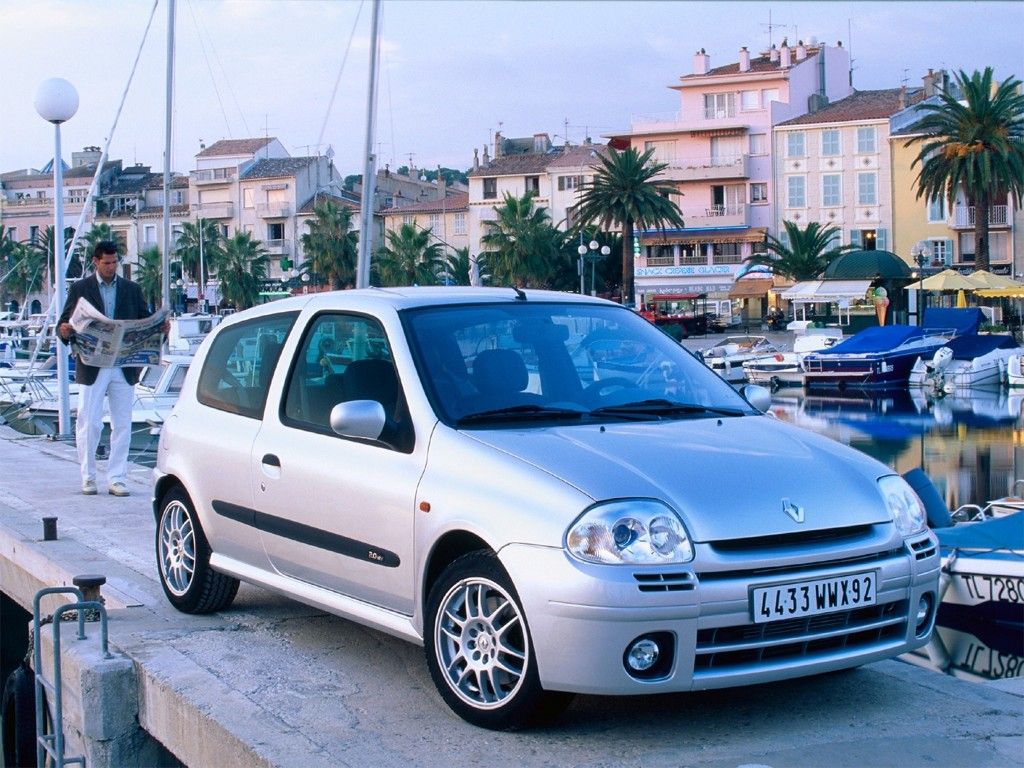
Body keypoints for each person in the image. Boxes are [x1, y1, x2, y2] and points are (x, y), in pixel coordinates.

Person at [57, 241, 165, 497]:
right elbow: (64, 322)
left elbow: (143, 320)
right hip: (92, 364)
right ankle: (88, 476)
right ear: (96, 261)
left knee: (123, 424)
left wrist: (160, 329)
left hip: (123, 366)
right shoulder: (81, 288)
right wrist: (64, 330)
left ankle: (117, 478)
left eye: (115, 262)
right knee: (89, 422)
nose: (111, 267)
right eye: (106, 262)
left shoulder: (131, 289)